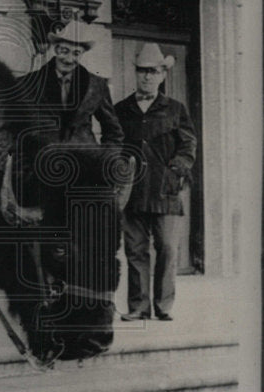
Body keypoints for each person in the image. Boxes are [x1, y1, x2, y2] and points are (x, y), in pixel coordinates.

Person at [114, 42, 197, 321]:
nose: (147, 77)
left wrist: (176, 171)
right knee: (135, 249)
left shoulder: (175, 108)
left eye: (153, 72)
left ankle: (163, 306)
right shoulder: (121, 109)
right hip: (132, 191)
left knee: (167, 248)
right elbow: (113, 146)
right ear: (135, 73)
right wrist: (118, 172)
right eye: (142, 71)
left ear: (162, 75)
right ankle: (138, 307)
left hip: (165, 191)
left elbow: (188, 146)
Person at [14, 18, 124, 148]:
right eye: (64, 51)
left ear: (82, 54)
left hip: (84, 164)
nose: (69, 59)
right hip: (41, 163)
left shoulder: (96, 85)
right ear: (55, 49)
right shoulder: (27, 84)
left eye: (76, 53)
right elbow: (13, 128)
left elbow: (113, 131)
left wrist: (105, 161)